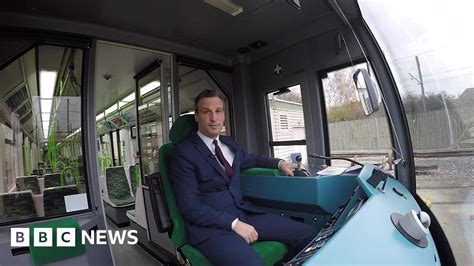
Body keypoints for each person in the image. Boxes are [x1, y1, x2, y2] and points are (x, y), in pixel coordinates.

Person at [169, 89, 316, 266]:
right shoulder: (183, 153)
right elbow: (190, 207)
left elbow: (252, 159)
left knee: (310, 235)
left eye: (219, 111)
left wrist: (279, 163)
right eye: (206, 112)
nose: (214, 118)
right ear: (196, 116)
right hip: (211, 229)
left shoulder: (228, 143)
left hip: (244, 213)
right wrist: (233, 224)